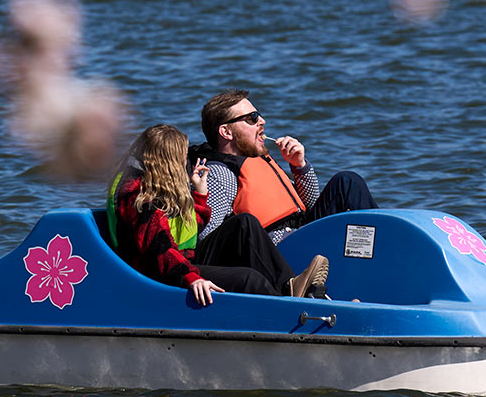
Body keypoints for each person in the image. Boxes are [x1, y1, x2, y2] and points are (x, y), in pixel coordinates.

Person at [107, 124, 330, 306]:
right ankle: (292, 314)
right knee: (248, 279)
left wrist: (200, 195)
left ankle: (291, 288)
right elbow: (159, 247)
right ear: (167, 163)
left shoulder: (151, 184)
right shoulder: (138, 196)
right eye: (182, 158)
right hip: (160, 272)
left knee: (244, 224)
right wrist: (192, 278)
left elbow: (187, 231)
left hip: (180, 259)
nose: (186, 163)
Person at [191, 90, 378, 244]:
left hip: (303, 232)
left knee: (346, 182)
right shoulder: (219, 173)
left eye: (259, 115)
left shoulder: (260, 161)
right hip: (280, 251)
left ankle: (381, 241)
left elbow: (310, 205)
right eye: (252, 118)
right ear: (226, 132)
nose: (261, 121)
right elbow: (208, 238)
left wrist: (299, 167)